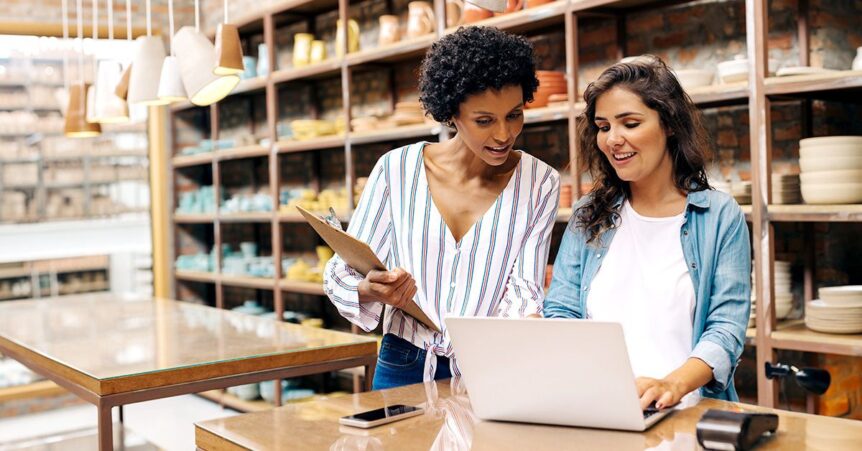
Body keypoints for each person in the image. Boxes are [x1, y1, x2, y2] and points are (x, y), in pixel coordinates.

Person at [323, 26, 560, 390]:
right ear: (452, 113)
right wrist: (372, 290)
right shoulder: (396, 169)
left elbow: (524, 289)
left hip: (490, 367)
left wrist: (532, 338)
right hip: (404, 361)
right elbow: (344, 270)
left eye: (514, 115)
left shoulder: (540, 182)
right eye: (484, 120)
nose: (503, 134)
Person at [544, 55, 751, 408]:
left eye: (630, 123)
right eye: (604, 126)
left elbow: (726, 329)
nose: (613, 139)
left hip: (684, 411)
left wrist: (672, 385)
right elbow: (561, 311)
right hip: (599, 409)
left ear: (668, 124)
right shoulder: (588, 213)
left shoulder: (719, 216)